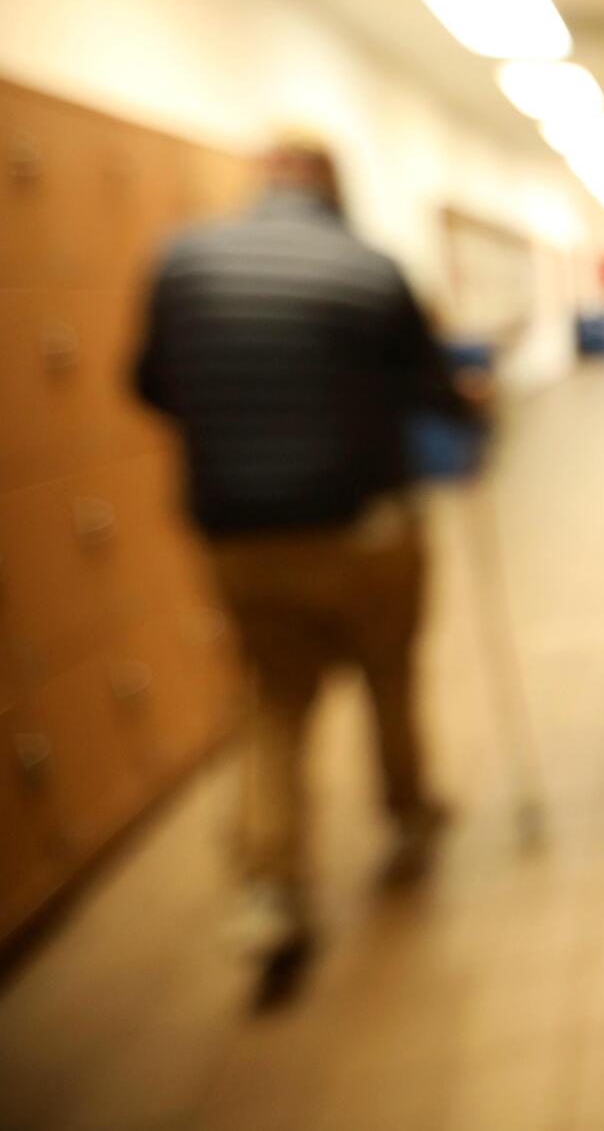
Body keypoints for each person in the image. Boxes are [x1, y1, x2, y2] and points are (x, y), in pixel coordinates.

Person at [133, 135, 482, 987]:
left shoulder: (181, 263)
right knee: (389, 672)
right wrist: (471, 406)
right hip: (365, 529)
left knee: (273, 704)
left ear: (262, 182)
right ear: (333, 188)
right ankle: (407, 816)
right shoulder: (370, 269)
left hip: (243, 542)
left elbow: (147, 384)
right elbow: (431, 391)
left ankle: (271, 890)